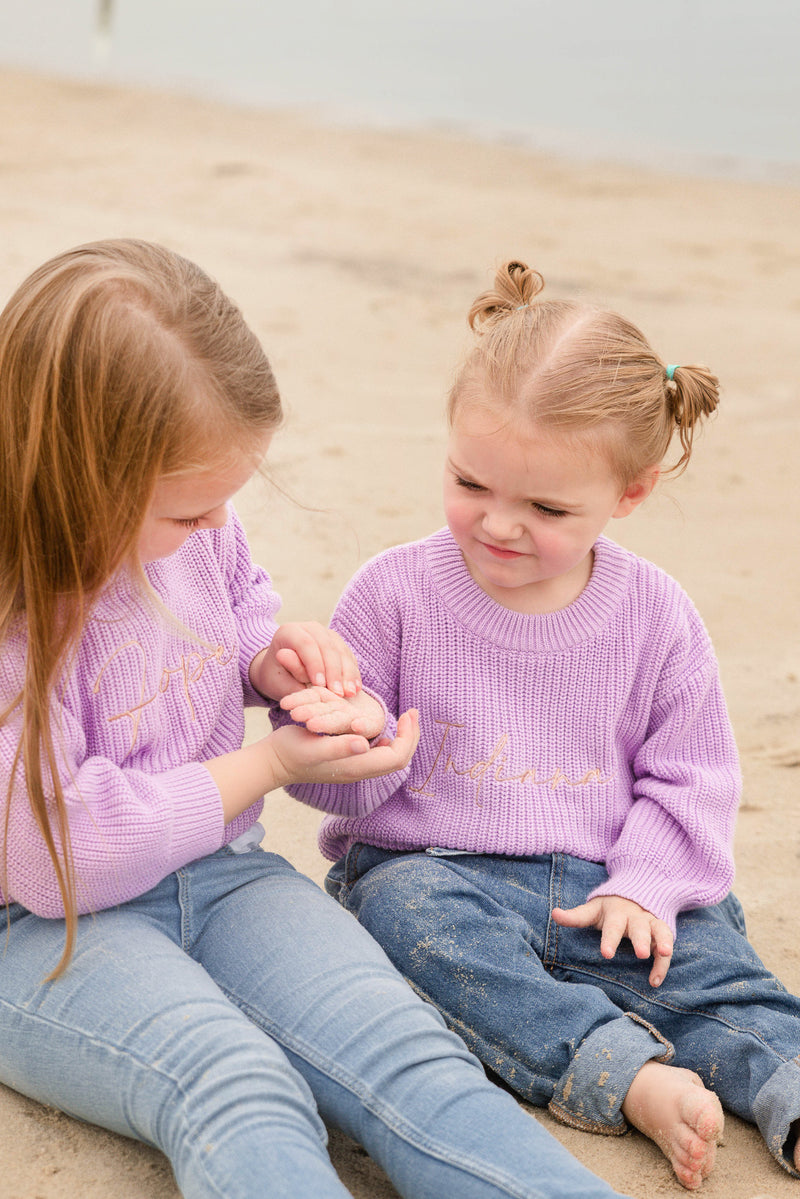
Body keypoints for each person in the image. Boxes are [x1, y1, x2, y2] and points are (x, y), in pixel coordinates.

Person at [0, 241, 631, 1199]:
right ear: (84, 477)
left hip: (219, 875)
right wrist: (271, 765)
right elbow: (57, 857)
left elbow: (234, 606)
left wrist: (275, 661)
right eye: (189, 511)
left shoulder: (199, 529)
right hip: (43, 929)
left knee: (409, 1055)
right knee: (237, 1083)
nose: (217, 527)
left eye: (227, 500)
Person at [278, 260, 800, 1191]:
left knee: (716, 967)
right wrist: (351, 735)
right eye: (471, 482)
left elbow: (691, 777)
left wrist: (645, 884)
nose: (499, 525)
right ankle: (623, 1073)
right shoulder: (396, 592)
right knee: (405, 923)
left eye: (547, 508)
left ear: (629, 493)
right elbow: (324, 783)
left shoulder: (655, 614)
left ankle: (786, 1083)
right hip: (436, 873)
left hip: (615, 884)